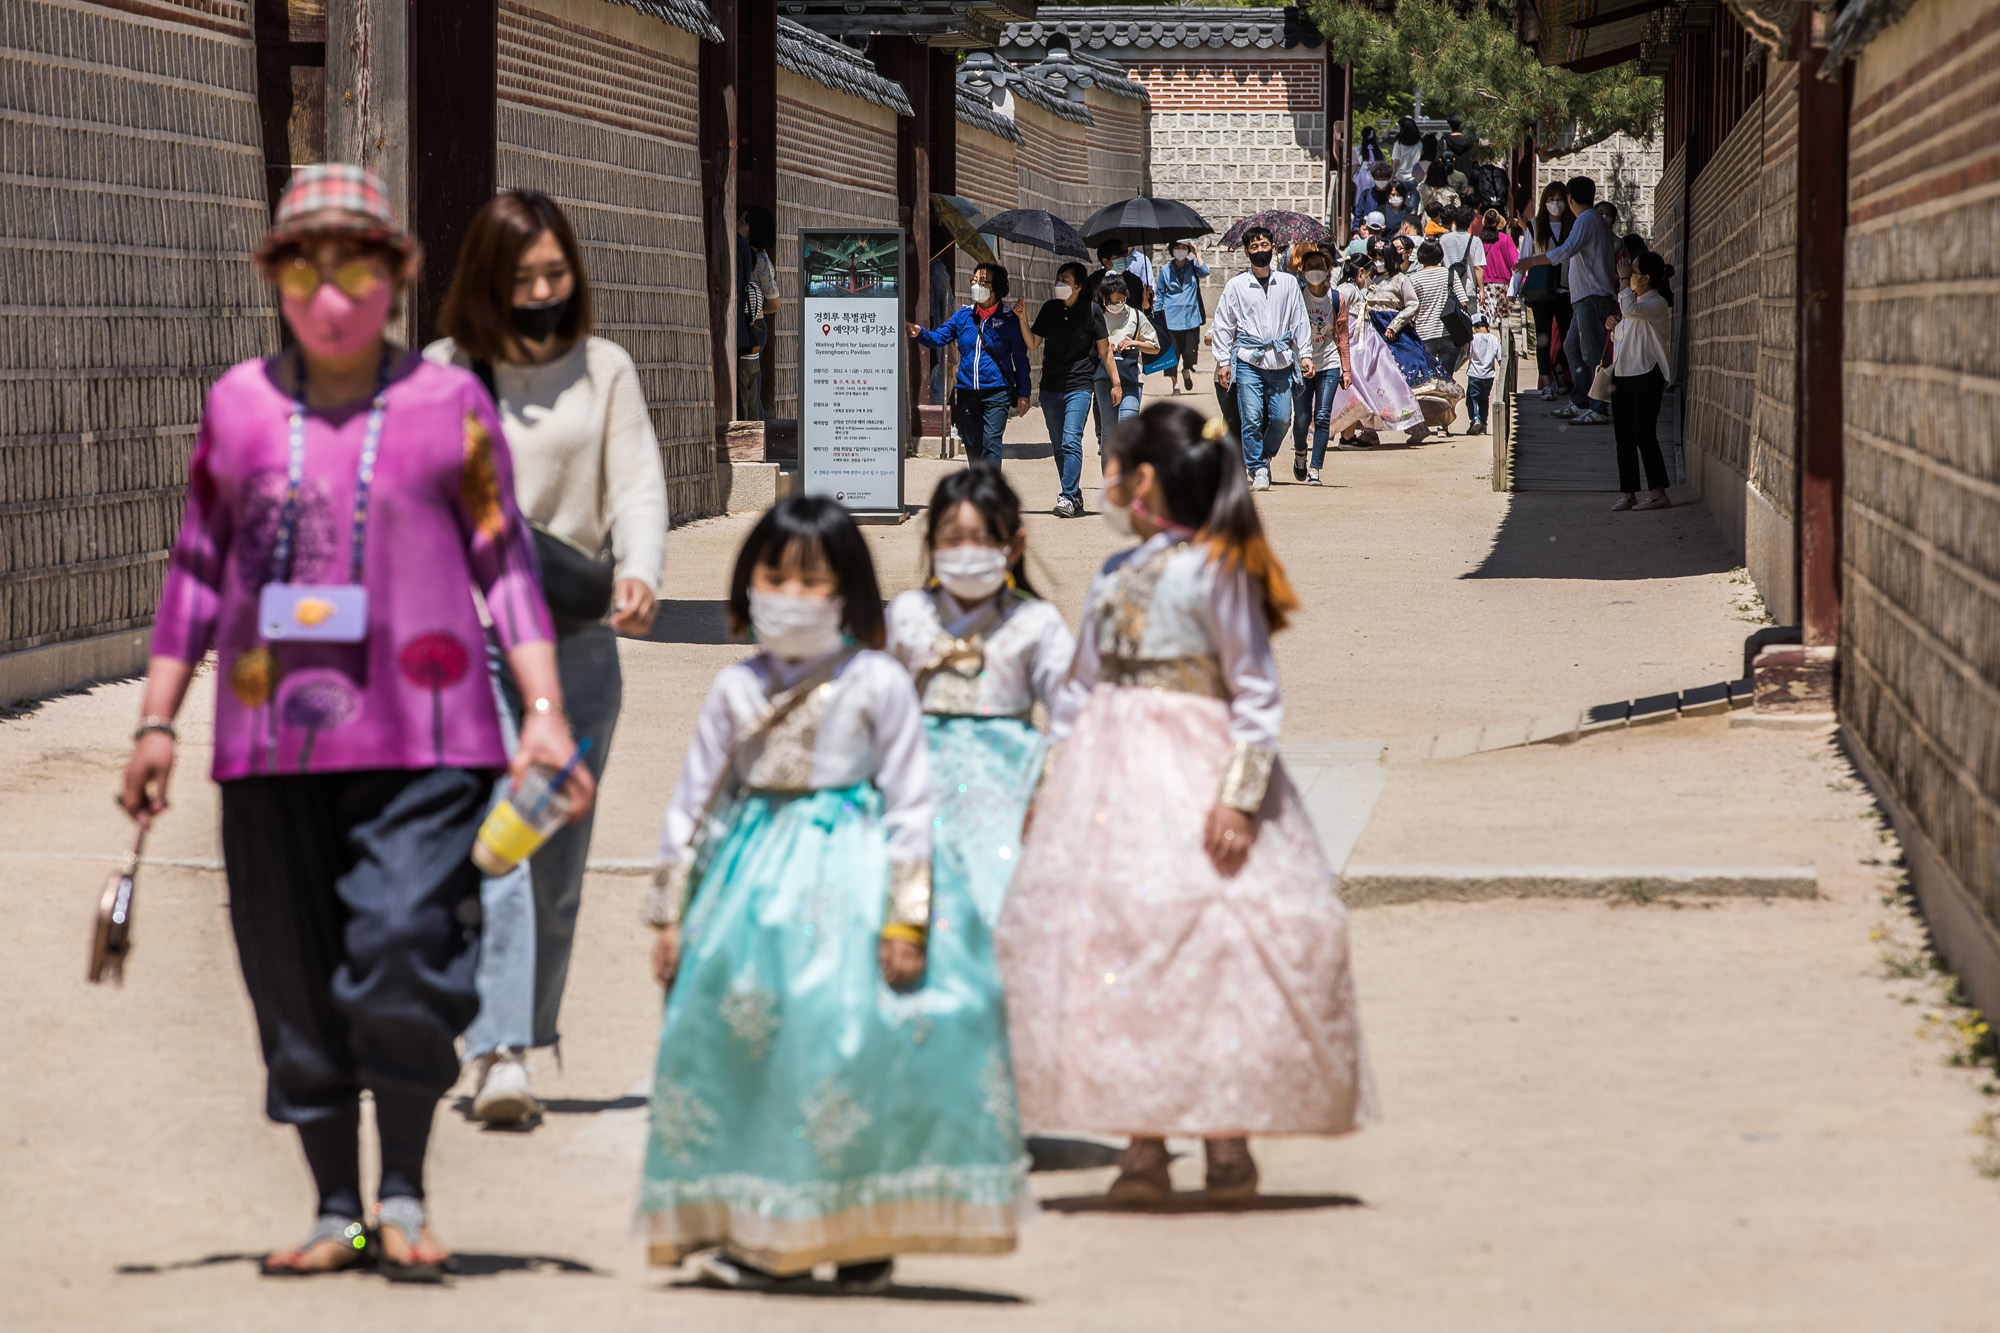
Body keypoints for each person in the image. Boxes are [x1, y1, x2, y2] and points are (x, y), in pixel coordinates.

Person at [121, 164, 593, 1279]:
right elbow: (196, 566)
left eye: (356, 265)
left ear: (397, 277)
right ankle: (337, 1203)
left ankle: (405, 1186)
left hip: (428, 741)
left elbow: (506, 562)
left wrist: (541, 709)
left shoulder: (446, 405)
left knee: (397, 949)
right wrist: (155, 722)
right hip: (267, 743)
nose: (328, 291)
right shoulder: (237, 404)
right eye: (302, 266)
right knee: (291, 973)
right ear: (275, 278)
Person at [641, 496, 1029, 1291]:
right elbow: (695, 803)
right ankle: (760, 1229)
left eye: (811, 581)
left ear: (847, 591)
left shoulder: (878, 681)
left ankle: (858, 1231)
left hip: (853, 883)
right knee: (755, 1046)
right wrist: (671, 913)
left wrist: (907, 920)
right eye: (773, 577)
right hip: (749, 896)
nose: (790, 594)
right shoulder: (735, 688)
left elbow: (913, 803)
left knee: (851, 1047)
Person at [995, 401, 1376, 1207]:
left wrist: (1239, 798)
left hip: (1196, 770)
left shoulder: (1220, 569)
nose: (1105, 486)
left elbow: (1255, 692)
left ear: (1148, 480)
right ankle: (1143, 1139)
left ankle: (1226, 1136)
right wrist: (1051, 781)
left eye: (1115, 470)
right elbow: (1077, 692)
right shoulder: (1108, 577)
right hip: (1110, 778)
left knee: (1212, 940)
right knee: (1122, 940)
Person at [428, 188, 667, 1124]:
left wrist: (641, 571)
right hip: (471, 644)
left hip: (576, 640)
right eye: (521, 278)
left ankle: (523, 1031)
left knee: (556, 864)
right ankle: (496, 1051)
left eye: (554, 274)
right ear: (487, 281)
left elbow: (637, 485)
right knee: (499, 842)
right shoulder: (445, 373)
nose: (540, 291)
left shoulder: (602, 368)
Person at [886, 467, 1076, 927]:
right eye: (953, 538)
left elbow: (1074, 714)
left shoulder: (1037, 623)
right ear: (930, 542)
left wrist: (1048, 795)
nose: (967, 552)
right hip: (916, 791)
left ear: (1015, 547)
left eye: (984, 538)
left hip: (1010, 792)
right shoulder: (907, 615)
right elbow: (882, 710)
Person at [1210, 227, 1312, 491]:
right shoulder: (1236, 285)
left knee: (1281, 419)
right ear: (1247, 252)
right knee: (1251, 417)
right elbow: (1223, 325)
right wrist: (1223, 361)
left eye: (1264, 245)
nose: (1259, 251)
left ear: (1273, 248)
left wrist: (1306, 354)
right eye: (1254, 248)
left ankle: (1264, 456)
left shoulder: (1288, 283)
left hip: (1280, 361)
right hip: (1248, 361)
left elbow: (1300, 320)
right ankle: (1257, 469)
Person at [1515, 175, 1619, 425]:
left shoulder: (1586, 219)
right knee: (1572, 347)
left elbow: (1565, 250)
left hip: (1592, 296)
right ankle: (1580, 401)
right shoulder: (1591, 220)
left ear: (1570, 199)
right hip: (1585, 297)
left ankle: (1598, 406)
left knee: (1592, 354)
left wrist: (1532, 261)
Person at [907, 262, 1032, 466]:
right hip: (966, 392)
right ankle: (978, 489)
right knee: (973, 446)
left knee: (991, 442)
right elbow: (939, 337)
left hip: (997, 392)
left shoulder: (1009, 319)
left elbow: (1020, 358)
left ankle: (989, 494)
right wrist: (920, 333)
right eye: (974, 281)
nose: (976, 285)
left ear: (996, 288)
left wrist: (1025, 392)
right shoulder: (964, 315)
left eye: (982, 282)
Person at [1025, 261, 1116, 518]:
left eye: (1064, 280)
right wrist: (1021, 318)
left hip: (1079, 384)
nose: (1058, 283)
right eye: (1058, 278)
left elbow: (1104, 350)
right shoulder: (1049, 309)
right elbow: (1032, 344)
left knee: (1070, 439)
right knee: (1057, 445)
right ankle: (1074, 494)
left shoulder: (1092, 310)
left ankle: (1065, 496)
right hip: (1051, 386)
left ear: (1077, 286)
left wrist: (1116, 382)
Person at [1327, 249, 1424, 446]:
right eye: (1369, 274)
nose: (1370, 279)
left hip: (1363, 346)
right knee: (1356, 389)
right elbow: (1335, 310)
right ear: (1361, 272)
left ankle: (1349, 435)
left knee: (1359, 390)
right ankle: (1347, 437)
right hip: (1355, 347)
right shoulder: (1347, 289)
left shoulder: (1354, 290)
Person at [1606, 252, 1677, 511]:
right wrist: (1614, 326)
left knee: (1643, 433)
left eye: (1633, 272)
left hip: (1648, 374)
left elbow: (1630, 310)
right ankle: (1628, 494)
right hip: (1623, 375)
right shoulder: (1631, 304)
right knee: (1623, 436)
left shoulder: (1656, 303)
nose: (1628, 276)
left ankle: (1659, 494)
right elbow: (1626, 335)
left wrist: (1624, 280)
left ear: (1646, 278)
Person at [1290, 248, 1353, 485]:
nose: (1315, 270)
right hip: (1302, 365)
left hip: (1329, 363)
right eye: (1310, 267)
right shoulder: (1297, 297)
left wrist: (1346, 370)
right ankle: (1300, 453)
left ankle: (1315, 467)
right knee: (1302, 417)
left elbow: (1343, 336)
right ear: (1302, 271)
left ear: (1328, 270)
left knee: (1323, 416)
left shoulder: (1337, 299)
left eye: (1320, 266)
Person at [1520, 181, 1574, 399]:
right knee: (1542, 337)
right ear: (1544, 202)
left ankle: (1559, 369)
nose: (1556, 204)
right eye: (1551, 200)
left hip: (1567, 289)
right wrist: (1514, 289)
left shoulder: (1574, 225)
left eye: (1560, 199)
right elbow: (1524, 258)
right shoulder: (1535, 226)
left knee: (1570, 335)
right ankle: (1546, 382)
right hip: (1541, 290)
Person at [1404, 239, 1465, 431]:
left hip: (1424, 334)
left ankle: (1424, 422)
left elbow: (1410, 309)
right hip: (1450, 333)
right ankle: (1443, 424)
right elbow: (1463, 302)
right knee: (1445, 379)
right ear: (1440, 255)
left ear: (1420, 257)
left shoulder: (1413, 279)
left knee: (1426, 383)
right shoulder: (1449, 274)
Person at [1094, 272, 1160, 447]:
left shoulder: (1136, 316)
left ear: (1126, 295)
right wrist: (1105, 348)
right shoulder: (1096, 316)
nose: (1115, 305)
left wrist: (1135, 342)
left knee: (1128, 429)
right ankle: (1110, 474)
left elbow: (1155, 347)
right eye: (1110, 301)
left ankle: (1126, 473)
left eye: (1120, 300)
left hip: (1131, 378)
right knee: (1109, 433)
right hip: (1104, 378)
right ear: (1102, 297)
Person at [735, 206, 779, 421]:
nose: (740, 220)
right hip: (748, 326)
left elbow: (774, 302)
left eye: (745, 219)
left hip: (754, 328)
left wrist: (753, 312)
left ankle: (757, 436)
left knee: (750, 387)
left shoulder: (760, 261)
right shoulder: (740, 249)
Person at [1155, 240, 1210, 394]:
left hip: (1190, 318)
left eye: (1183, 248)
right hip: (1171, 319)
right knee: (1172, 355)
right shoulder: (1165, 270)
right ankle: (1175, 385)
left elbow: (1205, 272)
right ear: (1172, 250)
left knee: (1189, 353)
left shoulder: (1193, 266)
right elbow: (1159, 293)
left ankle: (1186, 370)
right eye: (1177, 248)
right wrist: (1156, 316)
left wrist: (1196, 252)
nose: (1180, 250)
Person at [1463, 313, 1501, 436]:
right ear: (1488, 326)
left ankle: (1475, 418)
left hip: (1475, 375)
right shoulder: (1494, 339)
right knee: (1484, 400)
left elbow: (1467, 355)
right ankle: (1483, 425)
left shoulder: (1472, 339)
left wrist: (1457, 366)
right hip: (1489, 376)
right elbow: (1500, 358)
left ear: (1474, 327)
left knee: (1471, 398)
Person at [1478, 208, 1518, 321]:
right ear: (1498, 223)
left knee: (1485, 320)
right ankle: (1504, 339)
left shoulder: (1479, 240)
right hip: (1503, 286)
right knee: (1503, 320)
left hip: (1484, 285)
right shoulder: (1506, 239)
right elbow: (1515, 262)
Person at [1353, 160, 1394, 231]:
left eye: (1383, 179)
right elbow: (1358, 214)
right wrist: (1355, 231)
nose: (1380, 181)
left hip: (1388, 233)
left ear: (1388, 178)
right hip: (1369, 232)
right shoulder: (1366, 194)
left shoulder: (1394, 195)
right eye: (1378, 179)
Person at [1390, 115, 1425, 186]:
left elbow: (1396, 162)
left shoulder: (1398, 143)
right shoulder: (1419, 143)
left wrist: (1391, 178)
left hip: (1402, 178)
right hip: (1416, 177)